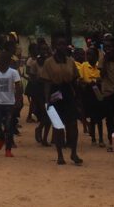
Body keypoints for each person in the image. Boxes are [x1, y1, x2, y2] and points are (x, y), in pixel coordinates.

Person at [40, 35, 83, 166]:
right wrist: (47, 101)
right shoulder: (49, 62)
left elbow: (76, 80)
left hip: (68, 93)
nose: (62, 47)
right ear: (54, 47)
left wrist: (78, 99)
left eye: (64, 44)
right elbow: (47, 82)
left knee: (73, 126)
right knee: (58, 127)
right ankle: (60, 155)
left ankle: (74, 153)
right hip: (55, 94)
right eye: (59, 44)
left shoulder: (71, 61)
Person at [0, 51, 22, 157]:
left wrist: (17, 101)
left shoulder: (13, 72)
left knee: (8, 126)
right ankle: (1, 138)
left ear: (7, 62)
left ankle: (8, 149)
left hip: (10, 103)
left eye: (1, 59)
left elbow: (18, 87)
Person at [98, 36, 114, 151]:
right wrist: (105, 61)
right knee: (109, 118)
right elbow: (102, 75)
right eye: (105, 47)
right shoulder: (103, 60)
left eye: (110, 47)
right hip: (107, 93)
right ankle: (111, 140)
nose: (107, 50)